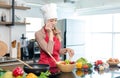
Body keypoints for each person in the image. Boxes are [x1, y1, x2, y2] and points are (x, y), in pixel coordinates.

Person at [35, 3, 74, 73]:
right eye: (51, 20)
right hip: (45, 68)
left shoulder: (57, 32)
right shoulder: (39, 34)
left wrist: (66, 50)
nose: (54, 23)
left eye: (55, 20)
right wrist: (50, 34)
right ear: (46, 21)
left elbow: (57, 50)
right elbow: (49, 51)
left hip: (57, 66)